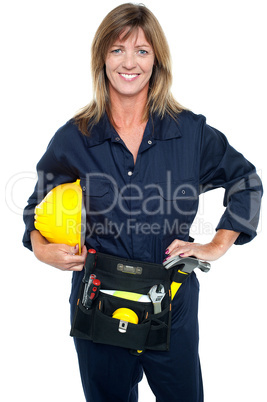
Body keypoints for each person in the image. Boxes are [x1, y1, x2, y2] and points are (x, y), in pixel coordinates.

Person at [23, 3, 263, 401]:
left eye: (142, 50)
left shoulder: (192, 134)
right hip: (97, 304)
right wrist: (41, 249)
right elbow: (35, 207)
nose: (129, 62)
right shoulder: (74, 138)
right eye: (117, 50)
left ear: (157, 60)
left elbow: (245, 180)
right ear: (102, 58)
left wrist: (218, 244)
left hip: (172, 305)